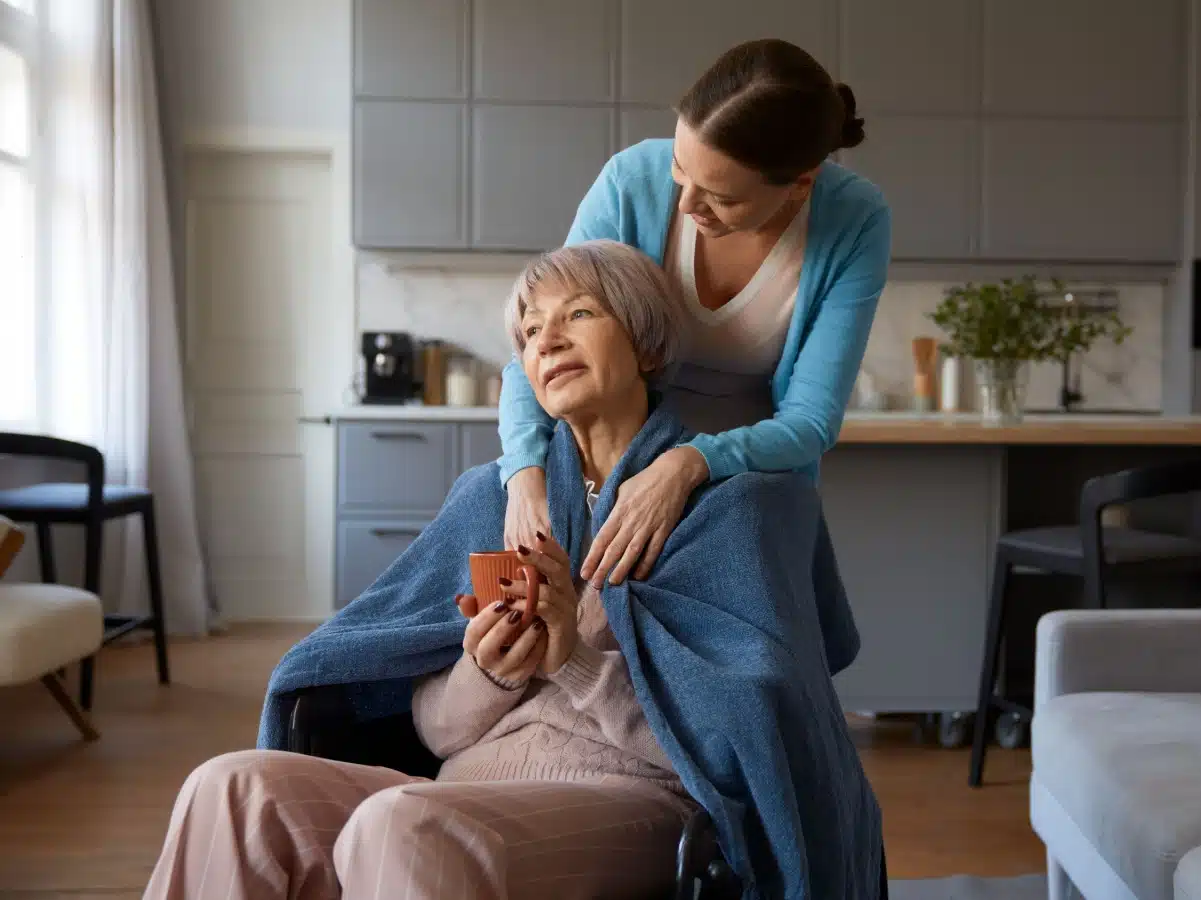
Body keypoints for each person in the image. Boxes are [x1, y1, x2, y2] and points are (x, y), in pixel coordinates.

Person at [146, 241, 882, 899]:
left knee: (405, 825)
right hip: (458, 790)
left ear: (645, 341)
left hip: (637, 798)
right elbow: (436, 735)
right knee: (233, 787)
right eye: (529, 332)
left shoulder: (736, 507)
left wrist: (573, 661)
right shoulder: (493, 502)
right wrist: (490, 672)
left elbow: (739, 749)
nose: (547, 340)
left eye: (579, 314)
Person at [497, 37, 892, 588]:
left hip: (749, 484)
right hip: (616, 461)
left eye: (721, 197)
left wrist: (687, 464)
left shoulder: (855, 220)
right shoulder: (630, 182)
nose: (685, 204)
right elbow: (535, 343)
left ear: (801, 185)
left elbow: (810, 422)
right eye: (681, 170)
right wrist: (522, 474)